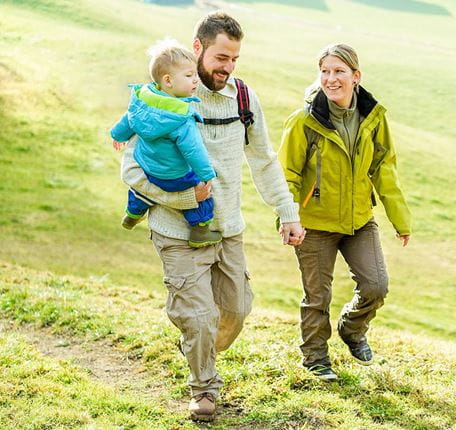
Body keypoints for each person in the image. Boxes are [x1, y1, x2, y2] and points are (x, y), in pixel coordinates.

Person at [120, 11, 305, 422]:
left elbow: (263, 160)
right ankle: (203, 388)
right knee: (201, 317)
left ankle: (195, 344)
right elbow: (131, 170)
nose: (228, 68)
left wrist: (287, 213)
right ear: (198, 48)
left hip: (228, 230)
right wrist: (184, 197)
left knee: (236, 311)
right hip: (175, 230)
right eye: (222, 57)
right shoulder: (161, 99)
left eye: (235, 59)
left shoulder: (243, 98)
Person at [278, 44, 412, 381]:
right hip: (314, 225)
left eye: (338, 71)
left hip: (359, 220)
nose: (331, 78)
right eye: (325, 71)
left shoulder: (373, 117)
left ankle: (352, 329)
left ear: (356, 76)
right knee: (317, 296)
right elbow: (288, 174)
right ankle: (316, 359)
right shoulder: (305, 120)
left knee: (376, 285)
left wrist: (400, 219)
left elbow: (384, 168)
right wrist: (288, 217)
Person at [111, 38, 222, 248]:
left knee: (140, 193)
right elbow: (193, 151)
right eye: (189, 76)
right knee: (201, 195)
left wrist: (118, 135)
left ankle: (133, 214)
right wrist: (206, 175)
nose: (195, 81)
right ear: (168, 81)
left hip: (147, 166)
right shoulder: (180, 117)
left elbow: (128, 119)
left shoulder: (143, 98)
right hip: (173, 175)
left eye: (195, 75)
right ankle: (200, 231)